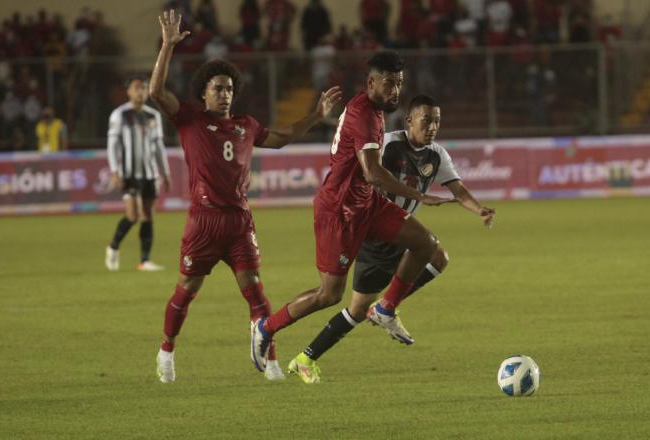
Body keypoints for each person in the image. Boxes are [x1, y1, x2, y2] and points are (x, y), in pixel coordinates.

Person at [149, 10, 341, 383]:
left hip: (239, 222)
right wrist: (168, 47)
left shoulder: (246, 126)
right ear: (204, 92)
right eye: (218, 88)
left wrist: (317, 114)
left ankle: (270, 360)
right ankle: (166, 351)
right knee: (186, 291)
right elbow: (156, 92)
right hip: (203, 221)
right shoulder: (188, 119)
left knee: (256, 295)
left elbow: (282, 138)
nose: (224, 94)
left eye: (229, 89)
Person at [250, 51, 454, 378]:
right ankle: (267, 326)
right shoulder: (364, 115)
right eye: (389, 83)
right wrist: (418, 195)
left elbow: (370, 179)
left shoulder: (373, 110)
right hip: (340, 210)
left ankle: (386, 308)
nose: (395, 91)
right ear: (371, 82)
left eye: (399, 84)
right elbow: (372, 172)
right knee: (329, 295)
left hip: (366, 204)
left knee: (425, 243)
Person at [288, 95, 496, 383]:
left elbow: (459, 191)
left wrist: (479, 210)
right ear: (410, 121)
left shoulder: (437, 155)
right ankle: (310, 354)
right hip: (377, 235)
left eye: (437, 120)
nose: (433, 126)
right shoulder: (388, 144)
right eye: (426, 120)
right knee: (357, 309)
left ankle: (380, 311)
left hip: (402, 232)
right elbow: (364, 171)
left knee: (437, 257)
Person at [104, 75, 171, 273]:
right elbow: (112, 145)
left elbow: (159, 146)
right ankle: (113, 247)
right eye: (136, 88)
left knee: (148, 215)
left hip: (150, 173)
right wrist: (115, 171)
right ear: (129, 92)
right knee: (132, 215)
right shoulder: (120, 114)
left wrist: (165, 172)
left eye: (143, 88)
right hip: (129, 173)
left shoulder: (153, 116)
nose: (140, 91)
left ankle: (144, 261)